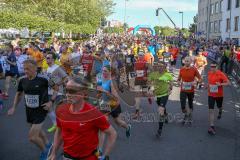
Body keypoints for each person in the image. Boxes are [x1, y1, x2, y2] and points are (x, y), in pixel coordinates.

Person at [48, 77, 117, 160]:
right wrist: (53, 153)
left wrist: (105, 156)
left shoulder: (93, 113)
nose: (68, 94)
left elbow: (112, 133)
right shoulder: (61, 110)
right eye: (66, 90)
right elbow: (59, 132)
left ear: (83, 93)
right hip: (67, 157)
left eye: (72, 91)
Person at [7, 59, 54, 160]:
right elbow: (19, 94)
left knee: (32, 137)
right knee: (36, 129)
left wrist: (51, 102)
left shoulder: (44, 79)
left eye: (28, 69)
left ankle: (45, 152)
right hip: (29, 110)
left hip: (41, 110)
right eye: (24, 69)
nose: (25, 71)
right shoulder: (22, 80)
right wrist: (13, 107)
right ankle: (48, 143)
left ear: (35, 68)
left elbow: (57, 88)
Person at [148, 62, 173, 138]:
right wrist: (150, 89)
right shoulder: (153, 74)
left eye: (162, 66)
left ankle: (160, 129)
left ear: (165, 67)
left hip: (164, 94)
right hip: (156, 95)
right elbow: (149, 83)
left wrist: (170, 89)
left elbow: (171, 83)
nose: (160, 67)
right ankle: (166, 115)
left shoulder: (168, 75)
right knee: (161, 107)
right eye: (158, 66)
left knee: (160, 110)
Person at [45, 52, 68, 133]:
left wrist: (58, 84)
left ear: (53, 59)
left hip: (58, 93)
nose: (46, 59)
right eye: (46, 57)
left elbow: (66, 78)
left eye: (48, 58)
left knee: (59, 111)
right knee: (47, 108)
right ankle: (55, 124)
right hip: (49, 92)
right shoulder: (48, 68)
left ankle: (64, 127)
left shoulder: (57, 68)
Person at [206, 62, 230, 135]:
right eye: (211, 66)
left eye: (214, 66)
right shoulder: (209, 73)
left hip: (219, 95)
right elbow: (210, 82)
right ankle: (212, 126)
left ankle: (220, 111)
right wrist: (207, 86)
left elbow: (228, 83)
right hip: (210, 94)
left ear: (217, 67)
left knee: (219, 106)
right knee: (211, 110)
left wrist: (221, 84)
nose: (212, 68)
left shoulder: (221, 74)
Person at [177, 56, 202, 125]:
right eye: (185, 61)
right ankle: (186, 114)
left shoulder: (194, 69)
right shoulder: (181, 69)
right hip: (183, 90)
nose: (186, 62)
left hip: (191, 90)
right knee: (183, 106)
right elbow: (179, 79)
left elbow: (200, 78)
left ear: (191, 62)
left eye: (188, 61)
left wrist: (196, 82)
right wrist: (179, 82)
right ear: (184, 61)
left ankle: (190, 115)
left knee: (190, 104)